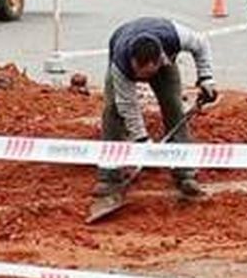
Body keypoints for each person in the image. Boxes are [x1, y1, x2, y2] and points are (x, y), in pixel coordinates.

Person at [93, 18, 217, 209]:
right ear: (133, 63)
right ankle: (110, 175)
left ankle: (185, 172)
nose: (144, 80)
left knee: (174, 108)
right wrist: (142, 141)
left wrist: (206, 78)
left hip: (164, 62)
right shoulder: (121, 62)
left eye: (149, 73)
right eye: (140, 73)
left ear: (159, 60)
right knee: (113, 110)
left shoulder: (175, 36)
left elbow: (201, 44)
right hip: (121, 49)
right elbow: (128, 105)